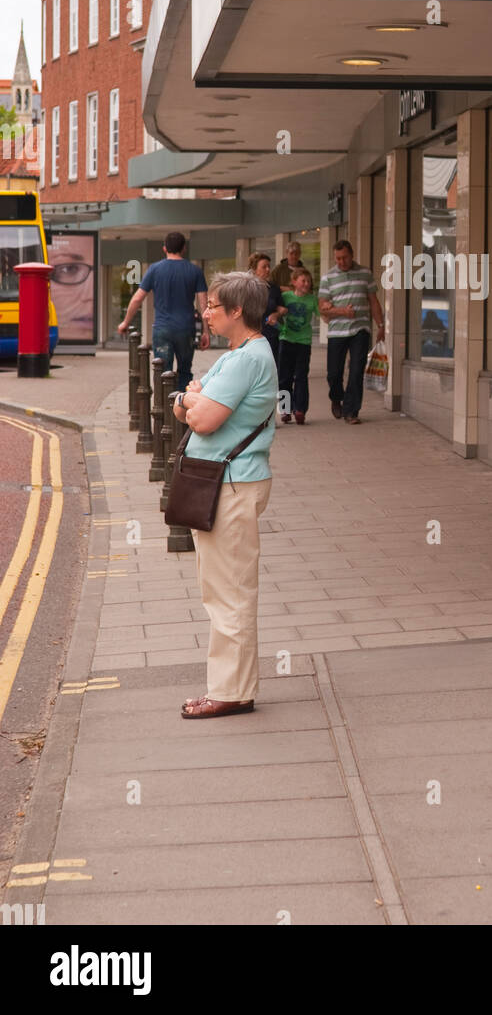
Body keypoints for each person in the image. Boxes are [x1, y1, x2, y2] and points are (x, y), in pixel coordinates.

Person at [171, 271, 277, 720]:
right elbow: (182, 402)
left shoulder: (244, 360)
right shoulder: (238, 354)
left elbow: (202, 418)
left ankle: (231, 692)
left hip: (231, 484)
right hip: (224, 481)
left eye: (213, 306)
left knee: (229, 592)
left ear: (237, 311)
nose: (206, 313)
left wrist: (194, 401)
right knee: (221, 588)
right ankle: (231, 686)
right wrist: (191, 399)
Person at [117, 232, 209, 389]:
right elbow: (203, 303)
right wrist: (206, 331)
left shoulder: (154, 269)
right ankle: (180, 408)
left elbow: (138, 298)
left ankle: (163, 408)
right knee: (185, 371)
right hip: (186, 329)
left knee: (162, 371)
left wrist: (125, 322)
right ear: (184, 248)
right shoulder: (195, 271)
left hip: (162, 329)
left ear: (164, 248)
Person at [318, 239, 384, 424]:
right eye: (338, 258)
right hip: (337, 332)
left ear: (352, 255)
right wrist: (340, 311)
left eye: (344, 257)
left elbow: (373, 301)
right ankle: (336, 398)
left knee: (356, 371)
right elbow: (322, 308)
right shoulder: (328, 277)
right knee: (334, 374)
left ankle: (351, 411)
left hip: (360, 329)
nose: (341, 262)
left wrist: (381, 325)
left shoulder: (365, 273)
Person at [277, 267, 318, 424]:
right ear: (294, 282)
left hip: (304, 342)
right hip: (286, 339)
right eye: (303, 281)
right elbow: (277, 307)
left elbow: (323, 315)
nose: (306, 284)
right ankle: (286, 410)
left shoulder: (312, 299)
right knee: (284, 377)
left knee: (301, 376)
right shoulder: (286, 297)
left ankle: (300, 409)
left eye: (308, 281)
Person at [249, 252, 285, 364]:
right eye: (264, 267)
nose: (268, 269)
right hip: (251, 336)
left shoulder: (274, 289)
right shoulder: (247, 289)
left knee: (271, 366)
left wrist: (276, 314)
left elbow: (282, 308)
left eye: (269, 266)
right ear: (254, 269)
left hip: (271, 336)